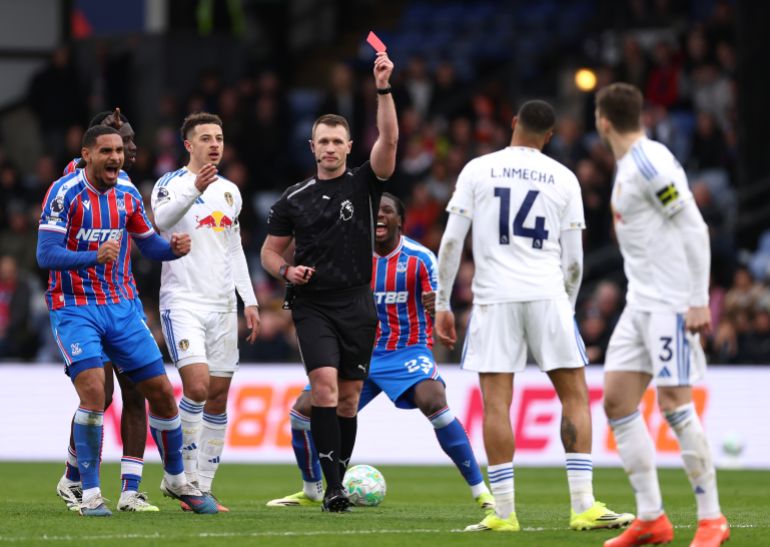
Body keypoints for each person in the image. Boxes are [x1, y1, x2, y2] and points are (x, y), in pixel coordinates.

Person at [435, 100, 634, 533]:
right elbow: (576, 260)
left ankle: (504, 514)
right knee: (575, 397)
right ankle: (583, 505)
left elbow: (452, 243)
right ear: (549, 136)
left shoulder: (477, 169)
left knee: (496, 404)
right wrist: (565, 302)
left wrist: (442, 303)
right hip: (547, 295)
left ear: (512, 125)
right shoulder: (564, 177)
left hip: (494, 300)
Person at [266, 193, 494, 510]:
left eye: (387, 211)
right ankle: (313, 489)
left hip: (406, 350)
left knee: (434, 401)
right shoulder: (349, 257)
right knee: (301, 413)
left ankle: (481, 492)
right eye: (373, 211)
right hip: (357, 352)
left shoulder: (420, 258)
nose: (379, 216)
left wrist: (437, 307)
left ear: (400, 220)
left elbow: (438, 302)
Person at [37, 125, 218, 516]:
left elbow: (147, 241)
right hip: (74, 307)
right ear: (87, 154)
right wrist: (94, 256)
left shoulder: (128, 193)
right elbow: (46, 254)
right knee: (93, 395)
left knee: (163, 394)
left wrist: (171, 250)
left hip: (121, 308)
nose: (116, 157)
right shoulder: (64, 192)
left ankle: (175, 479)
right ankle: (87, 494)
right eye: (107, 151)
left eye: (120, 151)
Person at [260, 51, 398, 513]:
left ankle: (335, 477)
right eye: (324, 141)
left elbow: (392, 140)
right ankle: (334, 488)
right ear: (313, 147)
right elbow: (269, 251)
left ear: (349, 145)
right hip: (313, 304)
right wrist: (286, 271)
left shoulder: (364, 184)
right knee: (324, 388)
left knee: (349, 399)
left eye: (339, 141)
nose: (332, 148)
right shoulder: (294, 198)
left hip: (358, 302)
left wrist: (382, 88)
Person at [595, 83, 729, 547]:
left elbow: (694, 224)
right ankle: (652, 518)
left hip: (671, 302)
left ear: (603, 120)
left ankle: (712, 519)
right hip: (640, 303)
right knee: (616, 401)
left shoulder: (650, 162)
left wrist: (696, 298)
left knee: (675, 403)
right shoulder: (629, 164)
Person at [151, 112, 260, 512]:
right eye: (206, 138)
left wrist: (248, 300)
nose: (215, 144)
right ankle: (179, 476)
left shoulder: (231, 192)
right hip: (182, 302)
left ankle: (202, 485)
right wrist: (193, 189)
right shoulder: (170, 184)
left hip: (221, 305)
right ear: (188, 145)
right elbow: (160, 221)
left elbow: (233, 249)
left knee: (217, 398)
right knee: (195, 387)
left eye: (219, 137)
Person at [56, 108, 159, 513]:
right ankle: (74, 476)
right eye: (122, 141)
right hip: (84, 303)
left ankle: (131, 491)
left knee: (136, 391)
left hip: (124, 300)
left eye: (131, 143)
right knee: (101, 394)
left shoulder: (128, 187)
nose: (131, 149)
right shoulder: (79, 177)